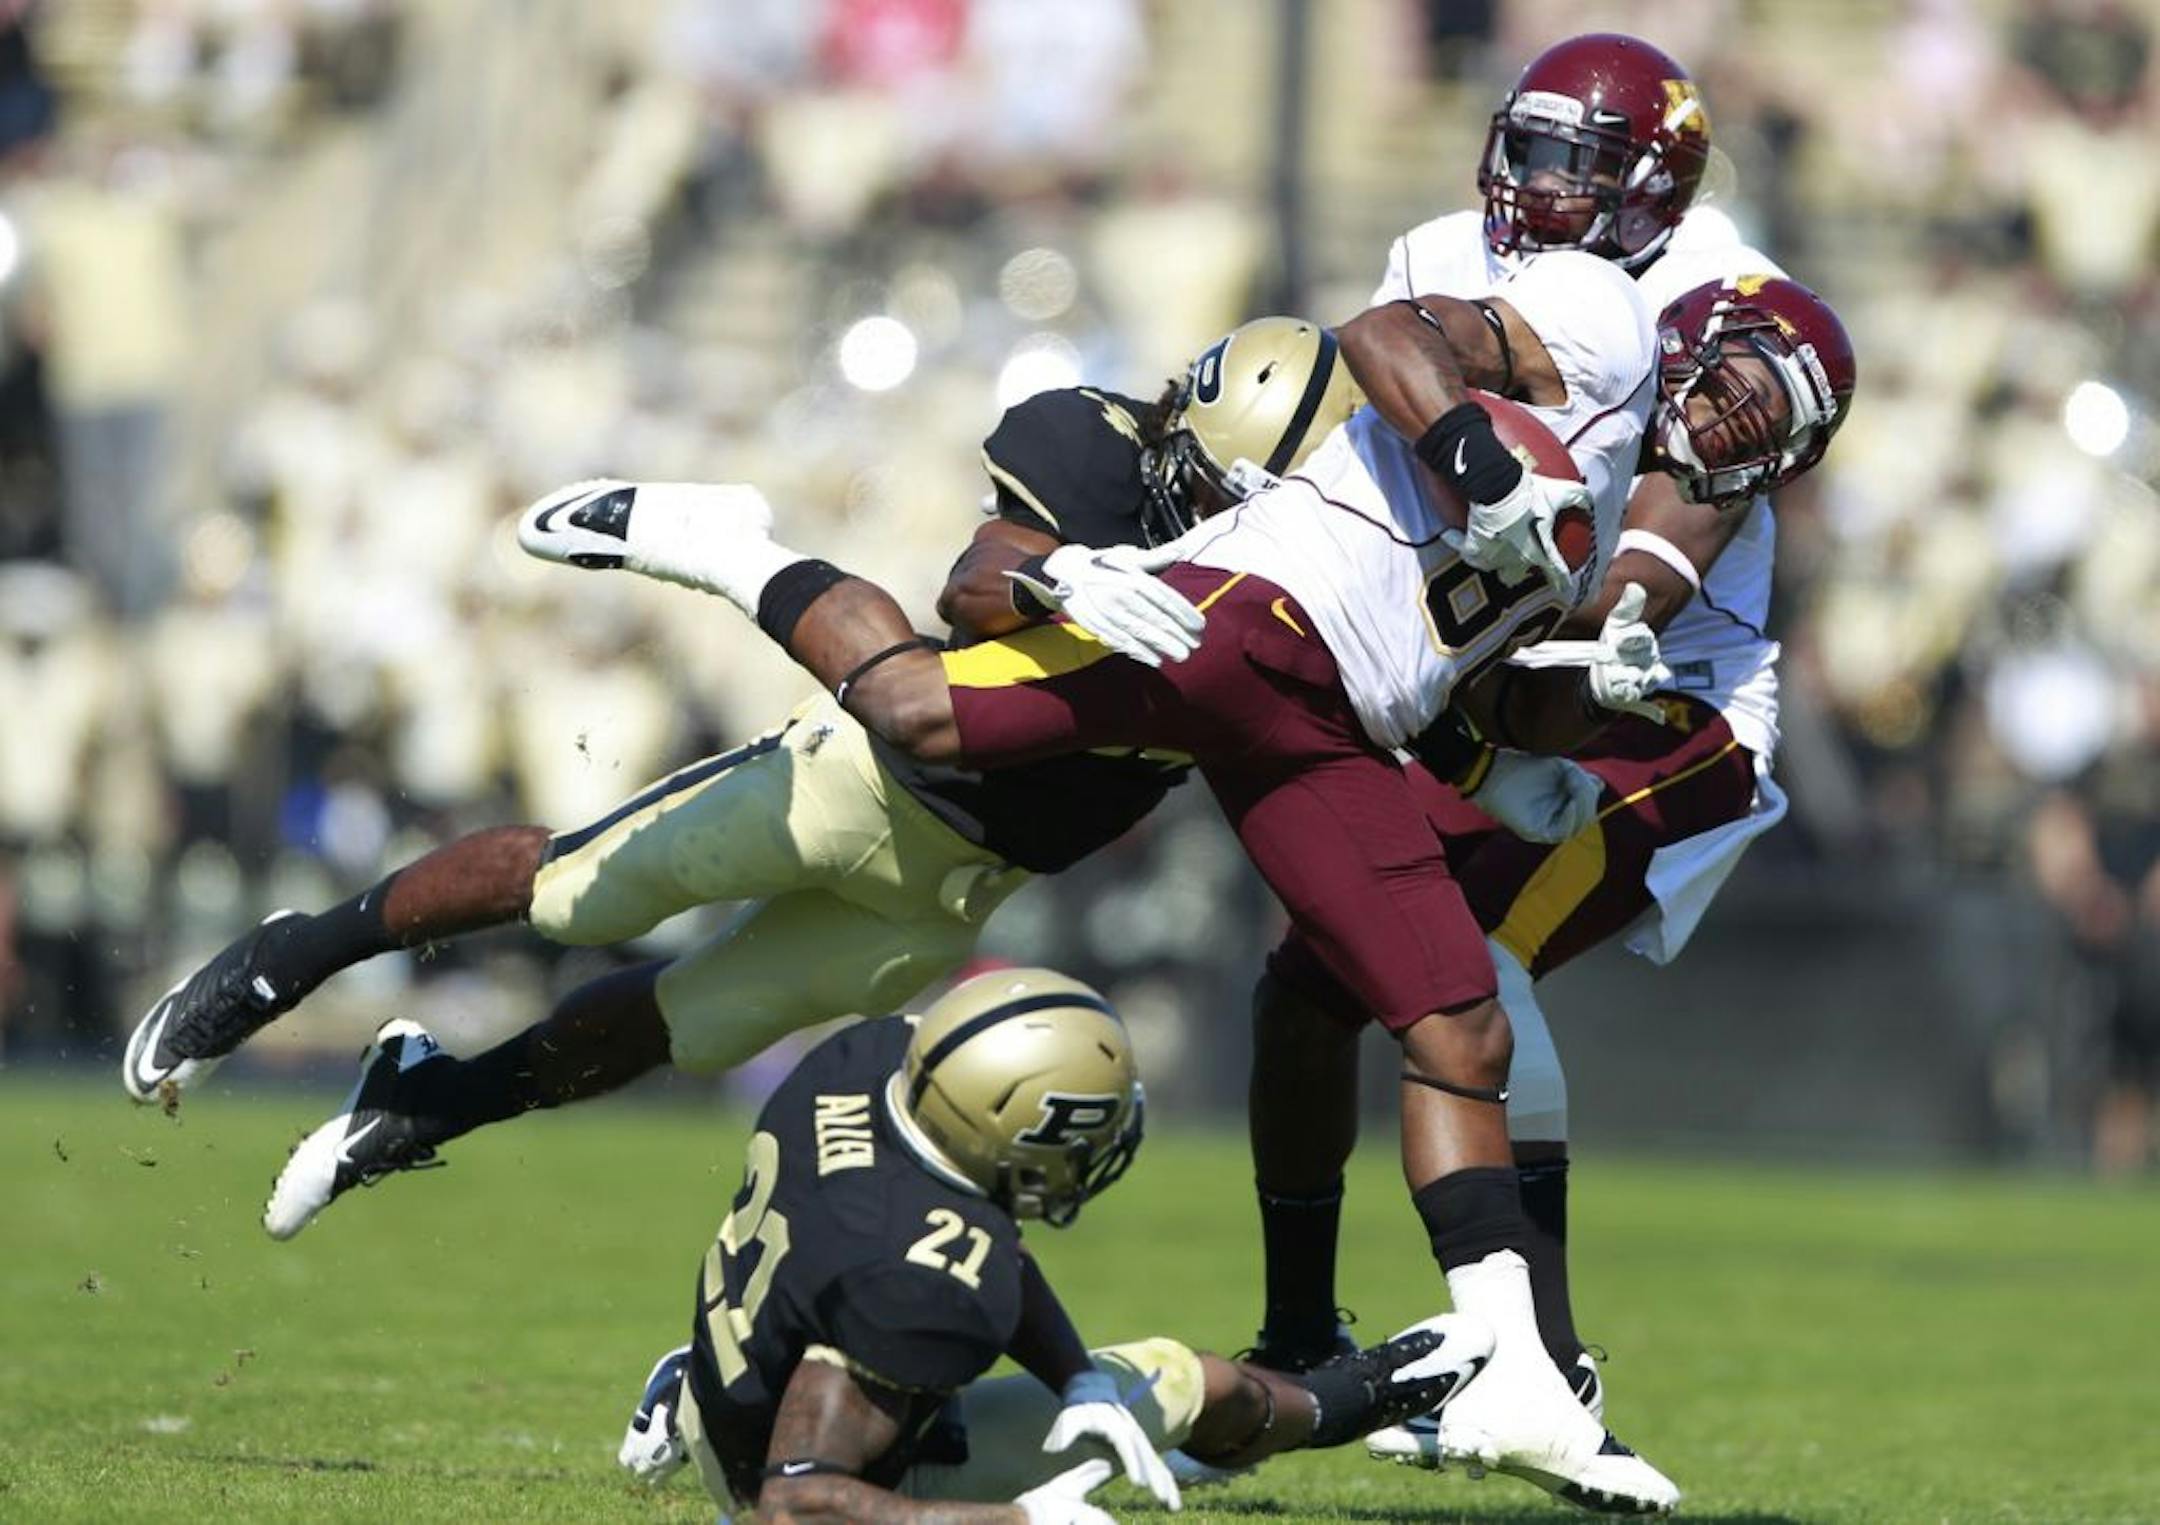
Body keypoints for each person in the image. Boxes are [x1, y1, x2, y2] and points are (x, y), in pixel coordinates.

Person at [510, 219, 1683, 1509]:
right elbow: (1389, 335)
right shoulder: (1563, 335)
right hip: (1247, 623)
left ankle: (1514, 1363)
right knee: (918, 714)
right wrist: (1470, 457)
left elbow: (1499, 680)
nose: (1737, 426)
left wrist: (1586, 689)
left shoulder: (1622, 486)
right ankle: (728, 539)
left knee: (1460, 1022)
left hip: (1332, 723)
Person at [120, 319, 1361, 1240]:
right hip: (863, 782)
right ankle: (296, 953)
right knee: (574, 896)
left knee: (689, 1029)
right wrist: (1060, 578)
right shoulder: (1094, 450)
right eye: (1208, 485)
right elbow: (976, 575)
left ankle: (429, 1103)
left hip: (964, 891)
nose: (1217, 518)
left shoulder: (1297, 586)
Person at [1227, 33, 1855, 1477]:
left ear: (1653, 185)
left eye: (1586, 160)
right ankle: (1300, 1338)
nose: (1548, 184)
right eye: (1539, 149)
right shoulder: (1441, 251)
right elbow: (1388, 404)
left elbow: (1691, 500)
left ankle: (1545, 1373)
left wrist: (1616, 608)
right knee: (1304, 984)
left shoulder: (1728, 294)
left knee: (1473, 954)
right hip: (1494, 660)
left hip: (1672, 698)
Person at [578, 966, 1495, 1522]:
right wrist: (1019, 1516)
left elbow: (972, 1246)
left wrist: (1078, 1377)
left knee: (1121, 1379)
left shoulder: (864, 1062)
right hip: (781, 1478)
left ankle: (684, 1389)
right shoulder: (925, 1281)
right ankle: (1371, 1391)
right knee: (1188, 1379)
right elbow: (793, 1504)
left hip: (729, 1370)